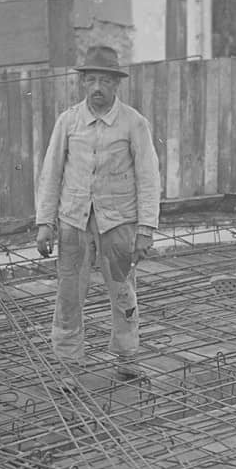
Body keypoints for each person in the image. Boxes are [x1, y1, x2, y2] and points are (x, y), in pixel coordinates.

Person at [35, 46, 159, 380]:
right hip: (73, 222)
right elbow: (52, 173)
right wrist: (45, 223)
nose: (98, 88)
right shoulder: (69, 121)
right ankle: (67, 364)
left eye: (105, 80)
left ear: (117, 85)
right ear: (83, 83)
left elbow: (149, 177)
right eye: (91, 80)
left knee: (123, 291)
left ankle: (127, 356)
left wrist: (146, 228)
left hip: (118, 222)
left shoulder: (134, 123)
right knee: (69, 294)